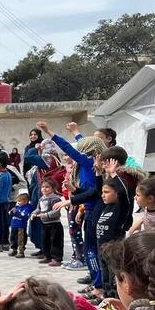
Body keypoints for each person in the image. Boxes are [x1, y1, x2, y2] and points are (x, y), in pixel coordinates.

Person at [46, 122, 105, 295]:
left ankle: (99, 287)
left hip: (94, 210)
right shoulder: (94, 162)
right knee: (92, 250)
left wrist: (49, 131)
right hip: (89, 209)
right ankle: (98, 284)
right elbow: (83, 144)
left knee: (91, 250)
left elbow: (70, 148)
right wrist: (76, 132)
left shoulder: (88, 163)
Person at [93, 177, 132, 301]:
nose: (103, 195)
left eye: (107, 192)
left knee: (113, 275)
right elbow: (98, 191)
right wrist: (99, 173)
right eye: (103, 192)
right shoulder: (106, 206)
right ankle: (107, 296)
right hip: (102, 247)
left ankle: (115, 298)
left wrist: (114, 174)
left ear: (117, 193)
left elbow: (125, 194)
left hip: (113, 249)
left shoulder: (120, 208)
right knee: (105, 274)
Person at [33, 177, 64, 266]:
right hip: (45, 224)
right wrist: (34, 213)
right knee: (45, 241)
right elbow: (38, 209)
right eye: (43, 187)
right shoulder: (42, 199)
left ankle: (57, 258)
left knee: (55, 242)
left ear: (53, 188)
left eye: (47, 187)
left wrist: (46, 215)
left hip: (54, 224)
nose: (44, 189)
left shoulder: (55, 198)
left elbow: (56, 211)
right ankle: (47, 256)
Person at [8, 189, 32, 258]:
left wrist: (17, 213)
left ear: (26, 201)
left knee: (20, 239)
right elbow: (11, 215)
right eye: (18, 201)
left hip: (21, 226)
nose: (19, 202)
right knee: (12, 238)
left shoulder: (27, 208)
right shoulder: (17, 206)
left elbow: (24, 216)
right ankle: (14, 249)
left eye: (21, 201)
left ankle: (21, 251)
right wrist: (12, 212)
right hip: (14, 225)